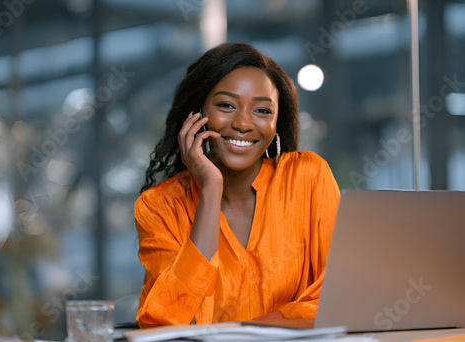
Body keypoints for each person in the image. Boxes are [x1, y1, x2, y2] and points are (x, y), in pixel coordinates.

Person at [134, 42, 340, 328]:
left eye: (262, 111)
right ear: (196, 113)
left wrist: (260, 329)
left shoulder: (308, 177)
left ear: (277, 121)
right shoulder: (159, 206)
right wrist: (210, 189)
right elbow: (166, 319)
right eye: (226, 105)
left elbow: (339, 293)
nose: (244, 124)